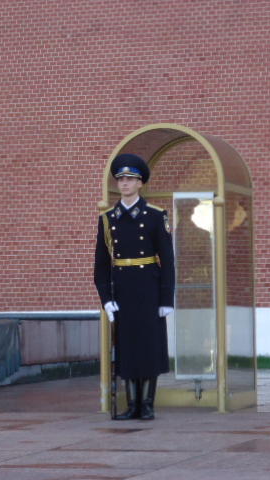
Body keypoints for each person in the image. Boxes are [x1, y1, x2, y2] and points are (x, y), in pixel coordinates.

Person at [94, 153, 175, 420]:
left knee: (149, 346)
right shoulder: (108, 219)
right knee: (127, 347)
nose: (125, 183)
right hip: (123, 290)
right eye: (121, 179)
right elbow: (101, 264)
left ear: (140, 183)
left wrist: (166, 299)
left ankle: (147, 404)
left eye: (130, 179)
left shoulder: (155, 216)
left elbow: (168, 261)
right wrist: (106, 299)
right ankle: (132, 405)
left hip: (149, 289)